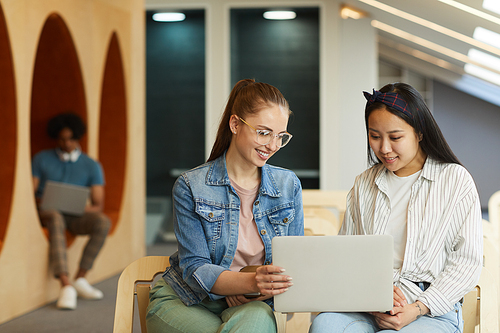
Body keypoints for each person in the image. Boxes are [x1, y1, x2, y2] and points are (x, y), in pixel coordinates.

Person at [310, 83, 482, 333]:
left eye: (395, 137)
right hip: (368, 305)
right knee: (325, 325)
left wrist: (417, 308)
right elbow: (347, 256)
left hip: (430, 310)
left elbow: (466, 262)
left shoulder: (455, 180)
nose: (384, 148)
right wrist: (369, 297)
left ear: (420, 132)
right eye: (375, 136)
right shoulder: (364, 184)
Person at [146, 79, 304, 332]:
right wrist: (249, 282)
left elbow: (295, 262)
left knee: (255, 323)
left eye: (280, 136)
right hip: (188, 300)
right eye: (264, 132)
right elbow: (195, 267)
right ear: (235, 124)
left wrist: (260, 289)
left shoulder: (288, 186)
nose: (273, 146)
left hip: (252, 304)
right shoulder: (191, 186)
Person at [32, 113, 111, 310]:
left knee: (102, 222)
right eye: (62, 139)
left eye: (71, 138)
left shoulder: (91, 165)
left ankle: (80, 279)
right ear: (56, 137)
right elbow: (29, 193)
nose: (66, 143)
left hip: (76, 215)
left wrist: (79, 207)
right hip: (48, 212)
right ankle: (65, 285)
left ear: (78, 137)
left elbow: (97, 205)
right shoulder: (41, 159)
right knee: (56, 217)